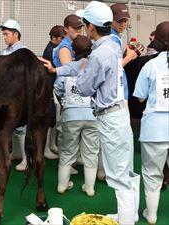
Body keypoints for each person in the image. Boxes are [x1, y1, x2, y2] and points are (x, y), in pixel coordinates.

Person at [39, 1, 140, 224]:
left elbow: (84, 86)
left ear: (91, 27)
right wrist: (57, 69)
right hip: (119, 113)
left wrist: (69, 73)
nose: (83, 28)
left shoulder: (100, 54)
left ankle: (126, 221)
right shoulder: (111, 44)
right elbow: (84, 64)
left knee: (118, 175)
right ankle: (129, 214)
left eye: (84, 24)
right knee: (127, 170)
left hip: (110, 117)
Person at [54, 35, 99, 196]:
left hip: (70, 115)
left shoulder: (67, 69)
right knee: (91, 152)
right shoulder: (94, 68)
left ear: (73, 51)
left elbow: (58, 90)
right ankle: (90, 188)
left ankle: (62, 185)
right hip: (93, 116)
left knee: (67, 151)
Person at [133, 21, 169, 225]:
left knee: (152, 175)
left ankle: (152, 214)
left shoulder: (150, 65)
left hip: (154, 130)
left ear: (156, 41)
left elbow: (139, 97)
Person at [53, 14, 84, 175]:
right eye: (75, 27)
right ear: (66, 28)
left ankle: (73, 158)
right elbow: (69, 69)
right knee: (65, 130)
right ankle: (66, 163)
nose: (79, 30)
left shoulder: (72, 44)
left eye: (80, 27)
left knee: (71, 130)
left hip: (72, 92)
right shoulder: (65, 47)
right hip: (64, 92)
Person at [0, 19, 27, 171]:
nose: (4, 37)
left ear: (16, 34)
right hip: (6, 95)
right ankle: (16, 153)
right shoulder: (3, 52)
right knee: (11, 125)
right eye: (3, 34)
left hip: (19, 95)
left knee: (21, 126)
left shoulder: (24, 52)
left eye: (6, 34)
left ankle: (26, 159)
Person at [42, 25, 65, 160]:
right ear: (54, 38)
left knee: (54, 119)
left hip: (54, 87)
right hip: (50, 88)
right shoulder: (50, 50)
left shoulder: (54, 48)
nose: (63, 41)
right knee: (50, 119)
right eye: (61, 38)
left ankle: (51, 145)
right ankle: (46, 148)